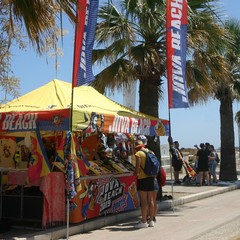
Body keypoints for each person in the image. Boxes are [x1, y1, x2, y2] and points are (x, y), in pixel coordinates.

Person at [134, 140, 155, 228]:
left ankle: (143, 221)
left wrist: (135, 173)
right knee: (151, 200)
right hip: (151, 178)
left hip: (142, 179)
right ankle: (151, 221)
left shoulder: (138, 154)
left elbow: (137, 168)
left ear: (137, 147)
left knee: (143, 201)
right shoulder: (151, 152)